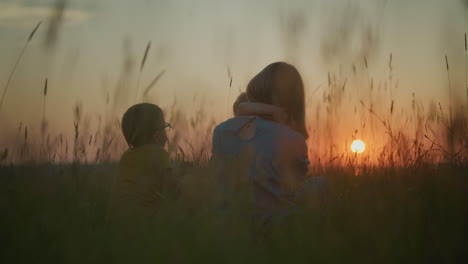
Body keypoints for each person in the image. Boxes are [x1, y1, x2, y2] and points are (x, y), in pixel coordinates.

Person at [211, 62, 310, 227]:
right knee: (321, 185)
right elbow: (293, 188)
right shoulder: (294, 140)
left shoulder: (221, 130)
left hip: (228, 222)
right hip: (273, 226)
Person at [108, 103, 176, 224]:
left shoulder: (126, 156)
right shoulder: (158, 154)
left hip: (117, 222)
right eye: (165, 127)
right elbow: (173, 189)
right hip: (143, 222)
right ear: (157, 135)